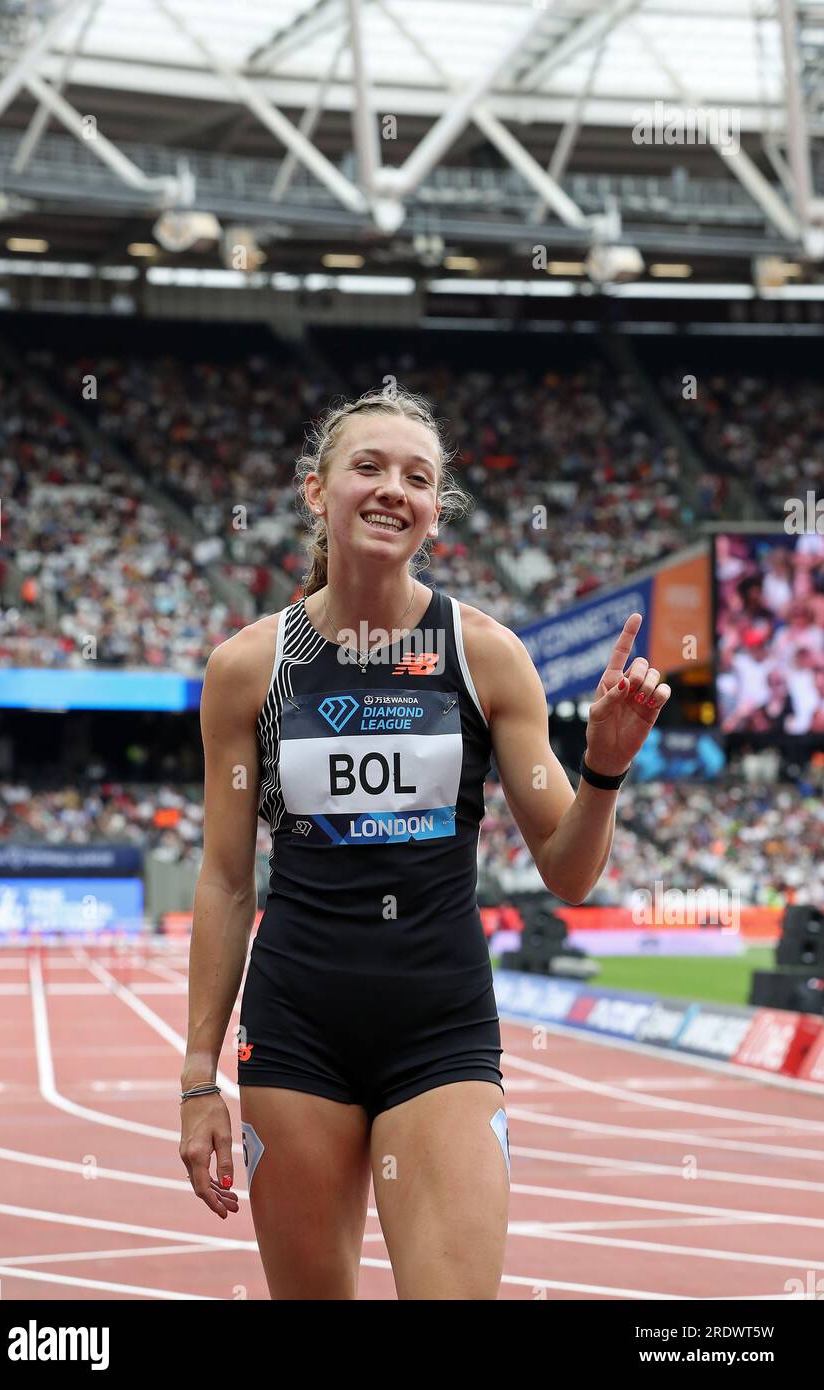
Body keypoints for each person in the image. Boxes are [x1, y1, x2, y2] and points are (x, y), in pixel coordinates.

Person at [178, 387, 671, 1300]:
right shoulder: (249, 668)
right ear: (316, 491)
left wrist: (603, 768)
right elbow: (223, 881)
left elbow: (569, 869)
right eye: (367, 467)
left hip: (438, 1031)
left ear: (437, 510)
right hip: (295, 1035)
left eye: (417, 477)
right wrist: (197, 1079)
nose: (391, 489)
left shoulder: (484, 655)